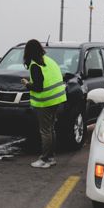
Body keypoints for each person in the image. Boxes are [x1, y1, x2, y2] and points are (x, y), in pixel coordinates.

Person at [20, 39, 67, 169]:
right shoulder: (48, 61)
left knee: (45, 131)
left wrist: (27, 84)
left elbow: (38, 87)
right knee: (50, 129)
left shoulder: (35, 65)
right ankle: (51, 158)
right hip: (56, 99)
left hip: (46, 101)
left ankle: (45, 159)